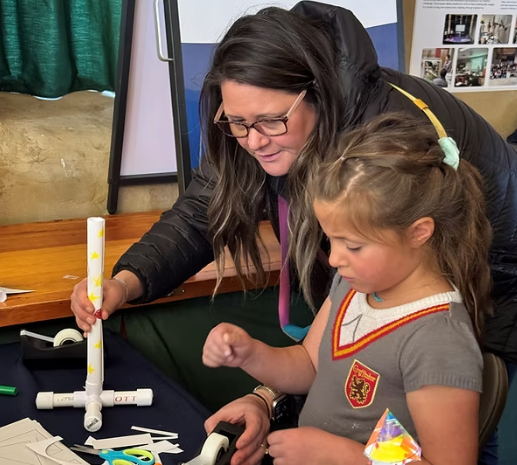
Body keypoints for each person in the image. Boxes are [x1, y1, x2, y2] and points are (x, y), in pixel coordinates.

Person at [70, 1, 517, 421]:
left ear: (317, 94)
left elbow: (379, 352)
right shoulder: (264, 123)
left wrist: (308, 430)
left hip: (498, 283)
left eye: (270, 121)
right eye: (237, 123)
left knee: (473, 425)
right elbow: (202, 209)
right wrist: (124, 282)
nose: (253, 140)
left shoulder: (385, 144)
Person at [202, 114, 488, 465]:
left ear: (419, 232)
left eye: (353, 246)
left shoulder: (438, 340)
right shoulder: (359, 285)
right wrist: (250, 354)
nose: (335, 259)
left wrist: (342, 454)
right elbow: (309, 364)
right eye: (332, 240)